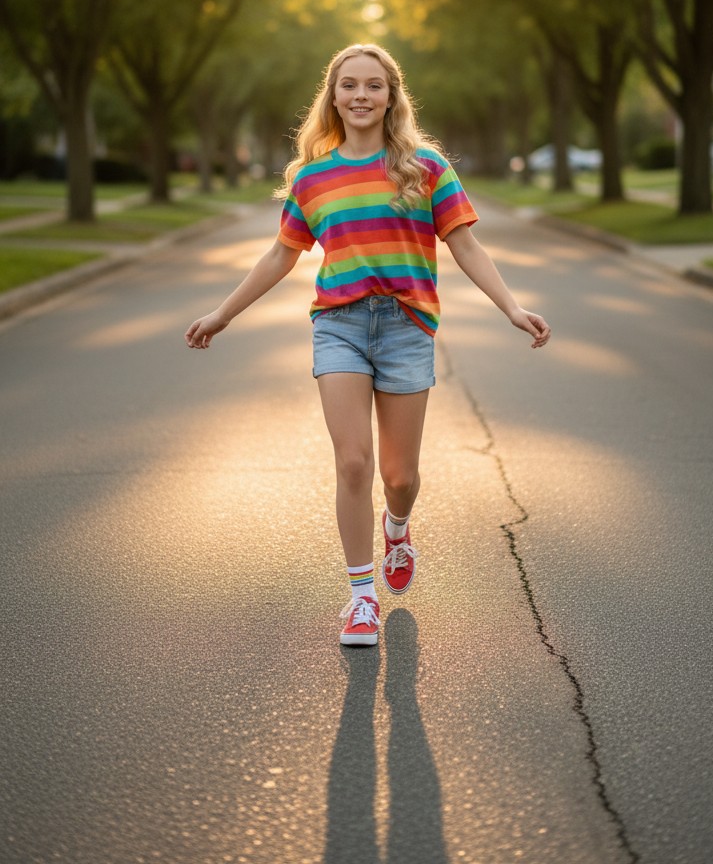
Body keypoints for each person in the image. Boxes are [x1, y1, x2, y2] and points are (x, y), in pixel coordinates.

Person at [185, 43, 551, 647]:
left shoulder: (426, 168)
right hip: (340, 326)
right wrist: (223, 313)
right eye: (348, 85)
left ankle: (398, 526)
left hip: (408, 328)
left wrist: (511, 308)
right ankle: (361, 599)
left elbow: (465, 245)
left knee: (400, 475)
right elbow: (282, 253)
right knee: (353, 461)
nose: (360, 96)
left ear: (391, 96)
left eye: (373, 86)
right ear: (332, 96)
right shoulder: (312, 177)